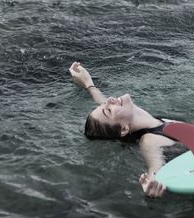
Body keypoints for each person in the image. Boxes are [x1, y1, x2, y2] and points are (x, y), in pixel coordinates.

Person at [69, 62, 177, 198]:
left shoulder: (139, 120)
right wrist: (153, 183)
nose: (109, 100)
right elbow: (156, 167)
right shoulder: (150, 141)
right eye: (108, 110)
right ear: (124, 129)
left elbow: (102, 102)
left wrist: (88, 84)